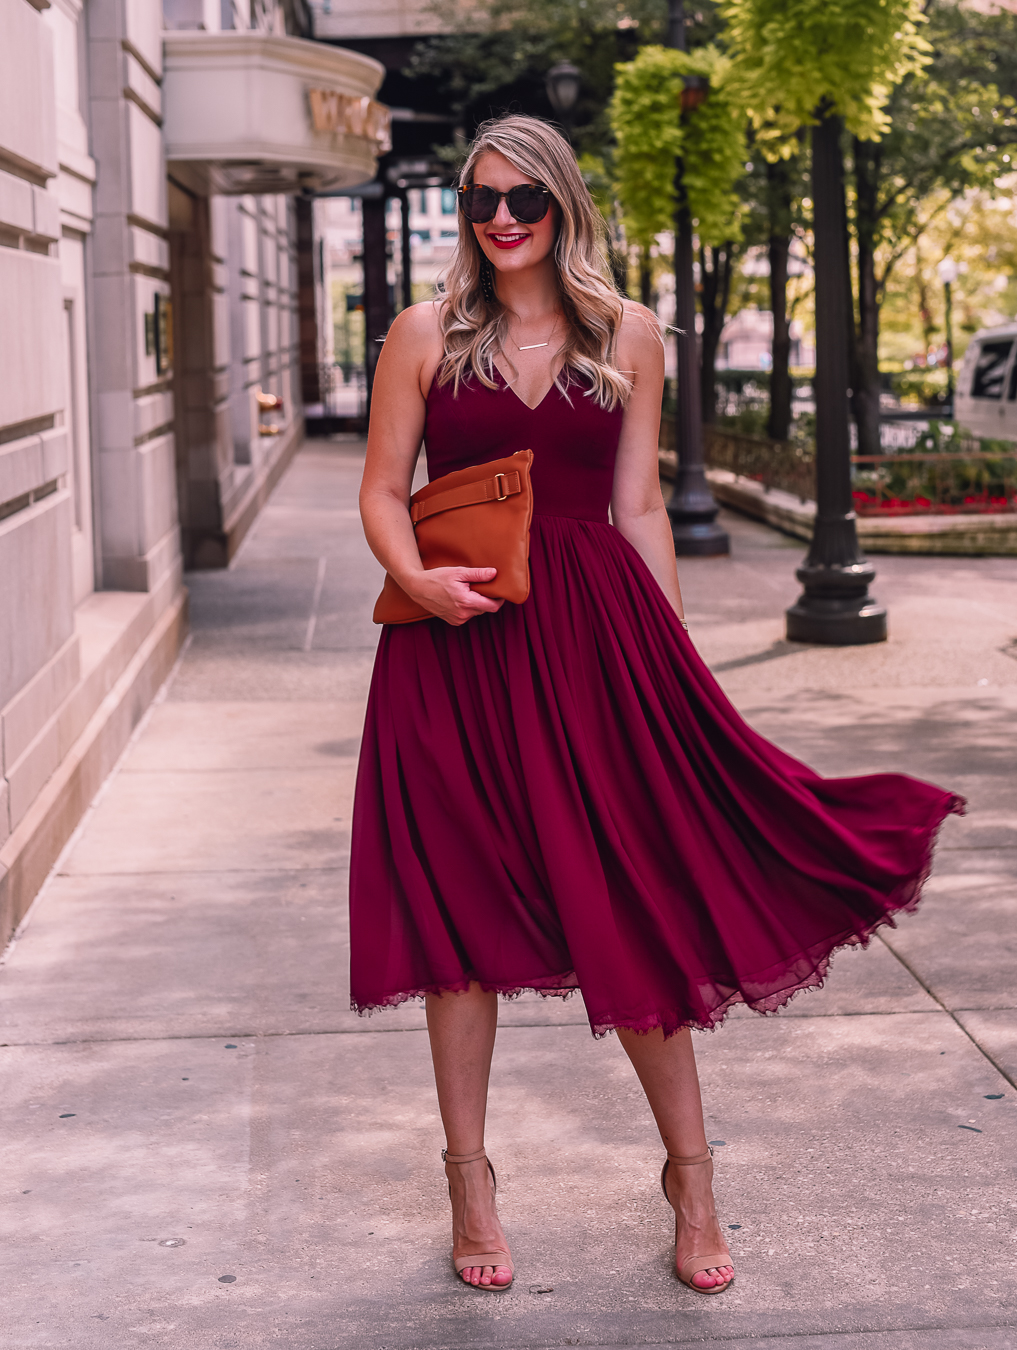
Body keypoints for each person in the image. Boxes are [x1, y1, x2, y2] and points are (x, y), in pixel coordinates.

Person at [350, 114, 963, 1296]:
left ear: (563, 200)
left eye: (522, 196)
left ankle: (693, 1175)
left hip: (594, 642)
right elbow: (384, 489)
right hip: (453, 650)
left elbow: (638, 510)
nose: (502, 219)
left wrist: (672, 665)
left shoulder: (629, 332)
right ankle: (470, 1181)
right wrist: (416, 576)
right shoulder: (424, 334)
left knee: (628, 904)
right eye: (479, 201)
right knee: (459, 927)